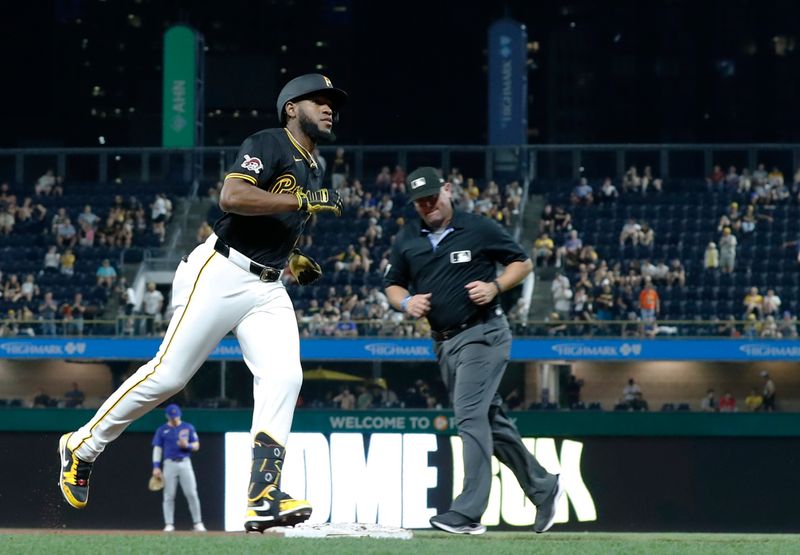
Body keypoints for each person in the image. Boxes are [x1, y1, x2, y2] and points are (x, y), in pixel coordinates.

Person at [58, 73, 348, 534]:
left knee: (285, 375)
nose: (330, 107)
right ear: (291, 108)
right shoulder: (269, 142)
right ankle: (82, 446)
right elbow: (232, 197)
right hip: (220, 272)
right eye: (319, 100)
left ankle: (263, 493)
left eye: (332, 102)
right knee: (169, 375)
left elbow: (276, 223)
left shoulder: (317, 166)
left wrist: (294, 258)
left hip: (268, 286)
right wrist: (299, 198)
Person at [384, 167, 562, 535]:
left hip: (483, 334)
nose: (428, 205)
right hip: (444, 343)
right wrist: (406, 303)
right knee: (490, 423)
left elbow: (523, 262)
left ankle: (467, 512)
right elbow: (392, 285)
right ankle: (544, 487)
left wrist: (496, 286)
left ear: (448, 190)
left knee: (468, 415)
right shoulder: (406, 239)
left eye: (433, 196)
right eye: (420, 201)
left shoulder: (478, 227)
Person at [152, 404, 206, 532]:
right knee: (168, 495)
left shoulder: (188, 427)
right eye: (172, 417)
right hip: (169, 463)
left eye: (176, 416)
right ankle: (169, 524)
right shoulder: (162, 429)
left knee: (192, 493)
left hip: (185, 462)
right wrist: (156, 466)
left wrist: (187, 445)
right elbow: (157, 449)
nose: (175, 419)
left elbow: (197, 446)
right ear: (167, 416)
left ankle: (198, 523)